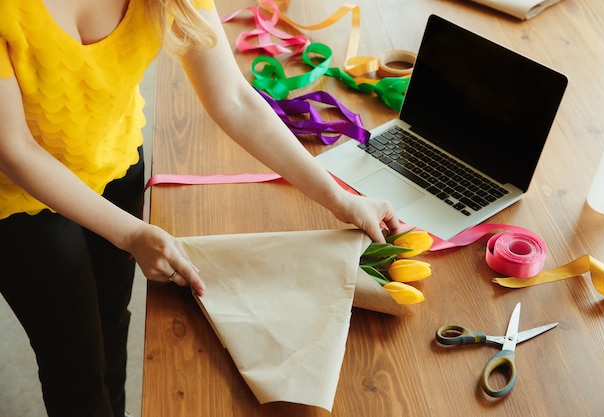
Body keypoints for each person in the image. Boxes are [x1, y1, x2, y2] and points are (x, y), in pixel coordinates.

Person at [0, 0, 399, 416]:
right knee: (74, 366)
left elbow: (233, 99)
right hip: (17, 203)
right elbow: (14, 150)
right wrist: (131, 234)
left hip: (113, 163)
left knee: (111, 322)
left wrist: (339, 199)